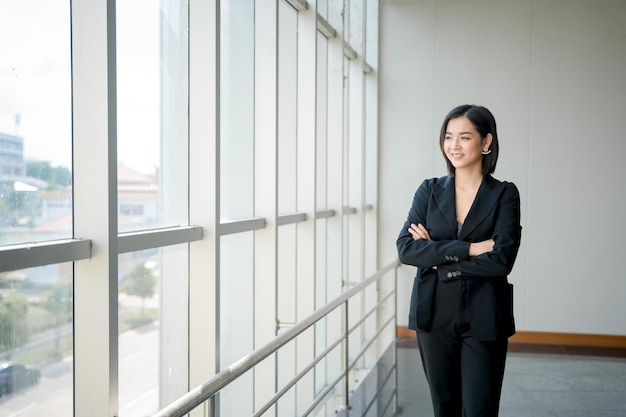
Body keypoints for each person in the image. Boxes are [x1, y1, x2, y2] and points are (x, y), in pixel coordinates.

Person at [396, 104, 522, 417]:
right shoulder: (429, 190)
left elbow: (501, 261)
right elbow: (406, 249)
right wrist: (470, 249)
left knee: (480, 409)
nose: (454, 145)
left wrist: (437, 256)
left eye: (464, 137)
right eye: (448, 137)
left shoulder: (505, 194)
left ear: (486, 141)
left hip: (484, 314)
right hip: (433, 313)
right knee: (445, 408)